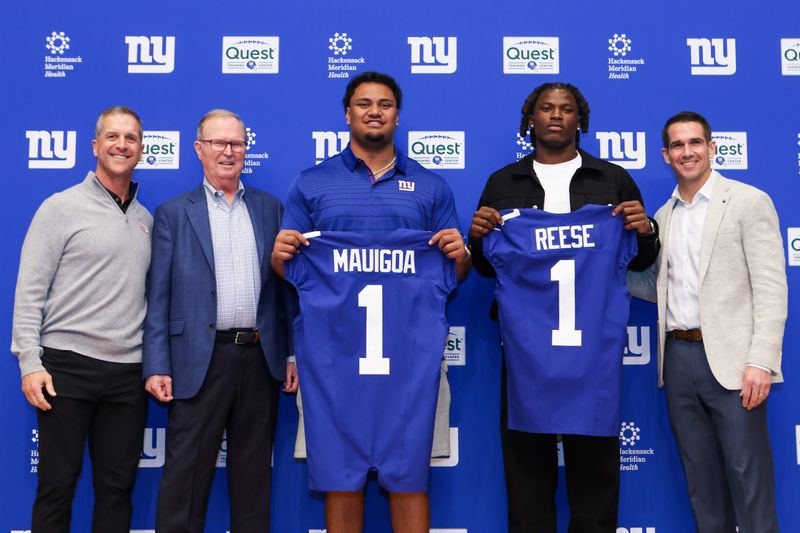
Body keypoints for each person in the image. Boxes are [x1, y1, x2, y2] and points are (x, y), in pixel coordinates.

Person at [271, 71, 470, 533]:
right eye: (364, 103)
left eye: (384, 103)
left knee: (409, 477)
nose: (374, 111)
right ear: (347, 114)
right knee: (340, 475)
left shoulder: (431, 186)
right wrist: (279, 258)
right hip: (332, 355)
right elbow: (293, 270)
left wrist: (460, 257)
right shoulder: (312, 183)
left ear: (398, 115)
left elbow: (451, 274)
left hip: (411, 356)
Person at [468, 82, 659, 533]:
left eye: (567, 109)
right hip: (526, 351)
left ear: (580, 120)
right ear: (529, 119)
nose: (556, 115)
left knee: (595, 473)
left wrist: (645, 228)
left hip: (592, 351)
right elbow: (487, 266)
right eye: (546, 108)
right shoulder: (501, 182)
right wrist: (478, 238)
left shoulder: (612, 180)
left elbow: (641, 257)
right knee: (527, 473)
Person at [627, 111, 786, 533]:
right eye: (677, 146)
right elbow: (653, 287)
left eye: (695, 142)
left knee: (750, 485)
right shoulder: (664, 216)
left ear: (712, 148)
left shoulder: (749, 202)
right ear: (665, 155)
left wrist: (761, 360)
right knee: (703, 490)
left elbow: (772, 288)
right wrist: (602, 264)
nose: (687, 152)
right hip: (677, 362)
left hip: (735, 364)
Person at [143, 109, 298, 533]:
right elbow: (158, 296)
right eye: (218, 143)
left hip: (259, 358)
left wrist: (290, 354)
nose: (228, 152)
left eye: (237, 144)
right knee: (184, 482)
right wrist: (157, 362)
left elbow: (285, 290)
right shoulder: (174, 213)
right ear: (199, 149)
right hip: (198, 360)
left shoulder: (270, 208)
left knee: (253, 481)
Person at [11, 106, 151, 532]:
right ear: (95, 146)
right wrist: (29, 363)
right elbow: (30, 290)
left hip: (128, 374)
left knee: (116, 490)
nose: (121, 145)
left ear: (141, 149)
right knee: (57, 487)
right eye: (112, 136)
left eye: (130, 138)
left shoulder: (147, 220)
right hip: (66, 368)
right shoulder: (60, 208)